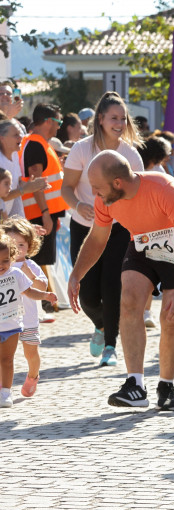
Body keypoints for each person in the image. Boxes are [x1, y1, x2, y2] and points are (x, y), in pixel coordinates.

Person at [67, 151, 174, 410]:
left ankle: (166, 383)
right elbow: (97, 239)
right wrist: (76, 274)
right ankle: (135, 385)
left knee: (170, 315)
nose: (95, 194)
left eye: (98, 188)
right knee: (129, 300)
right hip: (144, 246)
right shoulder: (105, 200)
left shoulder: (163, 189)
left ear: (118, 182)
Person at [62, 92, 145, 367]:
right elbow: (66, 187)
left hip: (119, 229)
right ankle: (100, 323)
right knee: (86, 291)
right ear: (100, 119)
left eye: (123, 118)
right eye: (113, 118)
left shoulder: (130, 154)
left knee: (112, 286)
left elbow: (138, 193)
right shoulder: (82, 149)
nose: (119, 123)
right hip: (85, 225)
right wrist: (78, 206)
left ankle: (111, 344)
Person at [0, 234, 57, 408]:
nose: (1, 265)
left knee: (7, 360)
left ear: (12, 257)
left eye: (5, 261)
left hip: (11, 326)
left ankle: (6, 393)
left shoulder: (16, 274)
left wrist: (45, 295)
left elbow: (29, 292)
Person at [21, 104, 68, 277]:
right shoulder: (36, 145)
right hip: (38, 214)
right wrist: (46, 213)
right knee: (36, 261)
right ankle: (38, 302)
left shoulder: (40, 144)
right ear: (48, 121)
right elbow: (36, 181)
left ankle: (41, 302)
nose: (59, 126)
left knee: (39, 261)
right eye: (58, 121)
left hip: (42, 213)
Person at [2, 218, 48, 397]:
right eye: (12, 243)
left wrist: (31, 276)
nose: (17, 248)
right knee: (5, 356)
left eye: (21, 244)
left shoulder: (30, 265)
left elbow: (43, 287)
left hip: (28, 319)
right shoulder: (3, 265)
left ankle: (33, 375)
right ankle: (4, 386)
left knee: (30, 352)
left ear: (29, 246)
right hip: (7, 320)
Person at [0, 120, 47, 220]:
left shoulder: (14, 154)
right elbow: (2, 196)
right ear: (2, 138)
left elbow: (18, 182)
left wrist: (34, 185)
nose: (20, 137)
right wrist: (24, 189)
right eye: (15, 135)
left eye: (20, 134)